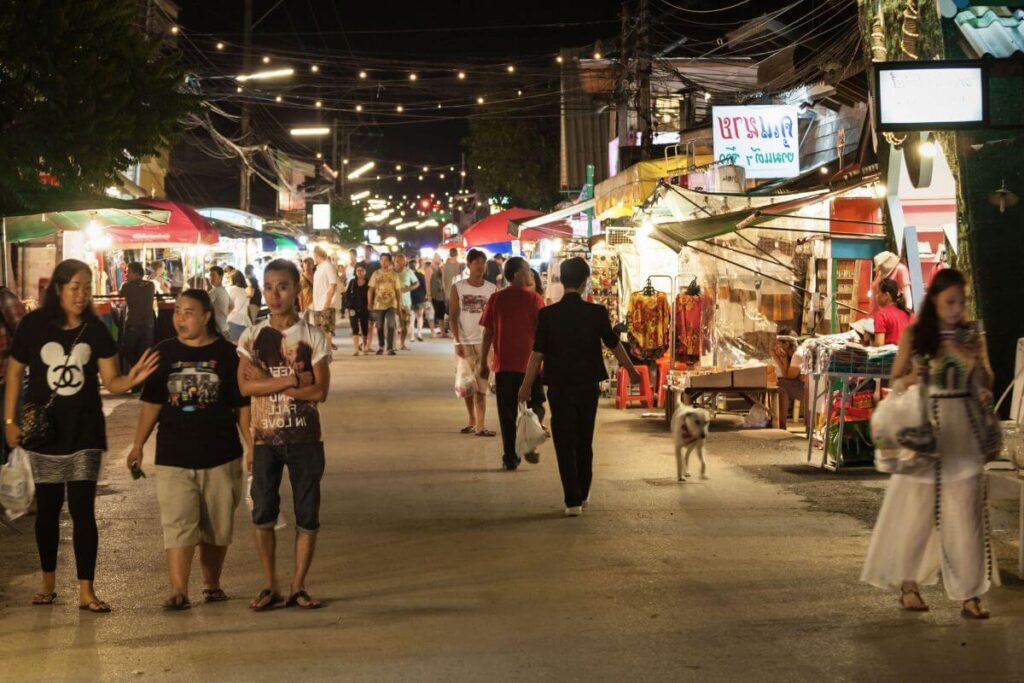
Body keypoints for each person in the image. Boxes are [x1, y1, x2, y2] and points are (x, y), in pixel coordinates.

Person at [4, 259, 160, 613]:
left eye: (86, 287)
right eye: (75, 287)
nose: (82, 294)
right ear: (57, 289)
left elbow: (113, 382)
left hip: (86, 431)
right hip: (45, 432)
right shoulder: (32, 325)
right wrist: (10, 420)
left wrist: (132, 378)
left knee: (82, 510)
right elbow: (14, 373)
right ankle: (47, 584)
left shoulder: (96, 328)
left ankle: (86, 591)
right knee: (46, 510)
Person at [861, 269, 997, 619]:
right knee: (917, 514)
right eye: (950, 301)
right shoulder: (915, 334)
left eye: (962, 302)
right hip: (925, 431)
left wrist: (982, 385)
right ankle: (909, 586)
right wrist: (910, 377)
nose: (957, 308)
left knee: (968, 516)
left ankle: (970, 593)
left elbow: (987, 375)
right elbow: (896, 380)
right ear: (934, 299)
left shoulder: (972, 335)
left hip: (964, 431)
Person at [127, 289, 251, 610]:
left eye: (189, 312)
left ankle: (211, 584)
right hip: (173, 455)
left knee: (216, 525)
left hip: (221, 453)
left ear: (207, 316)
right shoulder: (163, 353)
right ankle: (179, 590)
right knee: (178, 523)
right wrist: (138, 445)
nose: (180, 318)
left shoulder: (227, 354)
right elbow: (151, 404)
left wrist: (251, 446)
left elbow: (241, 405)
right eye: (177, 312)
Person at [237, 259, 331, 611]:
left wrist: (270, 386)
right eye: (269, 287)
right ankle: (269, 585)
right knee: (262, 513)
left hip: (306, 439)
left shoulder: (313, 337)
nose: (274, 295)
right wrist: (292, 381)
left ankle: (298, 586)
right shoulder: (252, 335)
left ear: (296, 290)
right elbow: (244, 387)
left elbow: (320, 392)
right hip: (264, 440)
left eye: (283, 287)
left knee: (308, 514)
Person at [518, 257, 641, 517]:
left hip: (560, 387)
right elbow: (614, 344)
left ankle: (572, 499)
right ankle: (584, 493)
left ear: (562, 281)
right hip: (588, 387)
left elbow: (537, 354)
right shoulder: (596, 313)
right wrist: (631, 370)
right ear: (585, 282)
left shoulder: (548, 315)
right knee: (584, 440)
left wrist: (526, 385)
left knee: (564, 441)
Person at [479, 257, 546, 470]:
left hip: (504, 366)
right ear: (517, 274)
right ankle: (528, 439)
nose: (530, 273)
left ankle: (511, 457)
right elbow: (544, 335)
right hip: (531, 367)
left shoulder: (496, 299)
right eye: (527, 270)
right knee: (536, 406)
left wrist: (483, 362)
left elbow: (487, 333)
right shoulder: (535, 300)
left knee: (506, 414)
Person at [450, 249, 497, 437]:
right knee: (468, 385)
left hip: (485, 343)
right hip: (465, 342)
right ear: (468, 265)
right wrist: (457, 341)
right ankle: (472, 419)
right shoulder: (458, 287)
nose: (480, 266)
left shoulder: (492, 289)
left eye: (482, 262)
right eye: (476, 262)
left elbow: (495, 318)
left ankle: (481, 424)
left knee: (482, 384)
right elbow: (453, 316)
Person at [0, 285, 25, 466]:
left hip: (5, 383)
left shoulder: (4, 298)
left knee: (13, 439)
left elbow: (26, 335)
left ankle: (17, 484)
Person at [119, 262, 156, 375]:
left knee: (126, 350)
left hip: (133, 325)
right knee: (144, 354)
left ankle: (137, 375)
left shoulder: (127, 286)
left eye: (129, 272)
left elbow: (121, 296)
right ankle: (140, 381)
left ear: (136, 273)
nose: (127, 275)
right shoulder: (150, 285)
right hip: (148, 325)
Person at [770, 328, 808, 431]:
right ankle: (780, 423)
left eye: (779, 344)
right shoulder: (797, 353)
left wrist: (780, 358)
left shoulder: (797, 355)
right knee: (782, 384)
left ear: (786, 344)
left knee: (782, 386)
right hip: (805, 387)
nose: (777, 347)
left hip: (809, 391)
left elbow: (788, 376)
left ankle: (781, 424)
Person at [368, 253, 402, 356]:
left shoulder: (394, 275)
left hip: (392, 304)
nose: (384, 262)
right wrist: (369, 303)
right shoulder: (375, 274)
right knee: (379, 326)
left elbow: (398, 291)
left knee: (391, 325)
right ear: (379, 261)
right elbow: (370, 289)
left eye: (386, 260)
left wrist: (399, 305)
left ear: (390, 262)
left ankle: (390, 348)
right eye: (382, 260)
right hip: (378, 304)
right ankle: (381, 346)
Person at [311, 247, 339, 352]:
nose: (313, 258)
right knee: (319, 329)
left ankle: (327, 352)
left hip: (325, 304)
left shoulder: (328, 266)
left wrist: (327, 303)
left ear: (318, 255)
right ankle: (323, 350)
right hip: (318, 304)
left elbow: (333, 285)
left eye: (314, 256)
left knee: (326, 328)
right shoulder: (319, 268)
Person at [874, 278, 913, 347]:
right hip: (905, 356)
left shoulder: (881, 314)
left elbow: (879, 345)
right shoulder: (907, 313)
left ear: (886, 295)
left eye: (878, 292)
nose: (876, 296)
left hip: (889, 357)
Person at [394, 254, 419, 351]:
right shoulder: (391, 272)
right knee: (393, 325)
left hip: (406, 303)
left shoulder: (409, 272)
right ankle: (393, 344)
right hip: (393, 302)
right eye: (398, 261)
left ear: (405, 262)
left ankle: (402, 344)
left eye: (403, 261)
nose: (400, 263)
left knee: (405, 324)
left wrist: (409, 288)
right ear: (395, 261)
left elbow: (417, 283)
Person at [344, 264, 371, 356]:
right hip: (353, 308)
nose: (359, 272)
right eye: (358, 270)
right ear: (355, 272)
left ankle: (364, 347)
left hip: (364, 308)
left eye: (361, 270)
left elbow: (372, 294)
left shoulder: (368, 282)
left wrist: (370, 305)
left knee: (364, 328)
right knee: (354, 328)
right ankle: (356, 349)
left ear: (365, 272)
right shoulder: (352, 282)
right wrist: (348, 306)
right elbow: (346, 295)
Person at [442, 248, 463, 332]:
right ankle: (453, 328)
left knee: (449, 310)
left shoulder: (445, 265)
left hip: (448, 291)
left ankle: (449, 328)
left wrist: (444, 290)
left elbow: (443, 280)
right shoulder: (459, 265)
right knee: (455, 310)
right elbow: (461, 278)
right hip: (456, 291)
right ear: (456, 254)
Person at [226, 271, 251, 342]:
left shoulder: (232, 289)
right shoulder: (244, 291)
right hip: (245, 322)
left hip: (233, 320)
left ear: (233, 279)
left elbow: (227, 305)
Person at [208, 266, 230, 337]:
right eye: (210, 275)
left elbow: (204, 305)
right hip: (225, 328)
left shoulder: (215, 291)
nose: (211, 278)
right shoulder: (224, 290)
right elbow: (232, 306)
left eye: (213, 275)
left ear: (220, 277)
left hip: (218, 330)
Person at [410, 258, 428, 343]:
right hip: (420, 298)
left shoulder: (407, 275)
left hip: (410, 298)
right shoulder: (421, 275)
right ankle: (419, 334)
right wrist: (426, 296)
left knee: (411, 318)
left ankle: (412, 336)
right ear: (416, 266)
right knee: (420, 317)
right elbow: (425, 286)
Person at [430, 259, 447, 338]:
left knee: (441, 315)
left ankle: (443, 332)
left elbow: (443, 287)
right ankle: (433, 332)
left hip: (441, 297)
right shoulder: (433, 275)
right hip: (434, 297)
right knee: (433, 315)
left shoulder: (442, 276)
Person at [298, 258, 315, 323]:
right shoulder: (301, 277)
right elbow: (300, 293)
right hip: (306, 304)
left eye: (309, 265)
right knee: (306, 323)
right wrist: (301, 306)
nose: (307, 267)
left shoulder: (316, 275)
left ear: (313, 265)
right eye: (305, 266)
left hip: (316, 304)